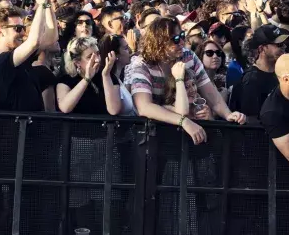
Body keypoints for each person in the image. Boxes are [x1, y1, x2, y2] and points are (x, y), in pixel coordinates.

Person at [125, 17, 245, 145]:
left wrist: (228, 114)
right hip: (150, 137)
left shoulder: (188, 56)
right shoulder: (141, 64)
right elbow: (144, 107)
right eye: (175, 39)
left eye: (182, 36)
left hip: (183, 135)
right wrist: (184, 121)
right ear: (159, 42)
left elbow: (210, 92)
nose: (182, 42)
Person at [0, 0, 59, 112]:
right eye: (18, 28)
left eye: (23, 28)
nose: (22, 33)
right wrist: (41, 5)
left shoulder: (20, 57)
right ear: (0, 31)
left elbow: (52, 37)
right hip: (16, 130)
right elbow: (34, 42)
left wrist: (47, 3)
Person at [229, 24, 289, 119]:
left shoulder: (280, 71)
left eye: (284, 43)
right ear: (262, 49)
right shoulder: (251, 81)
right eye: (279, 44)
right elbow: (252, 122)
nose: (284, 47)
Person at [56, 36, 116, 115]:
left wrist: (106, 76)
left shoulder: (107, 75)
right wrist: (87, 79)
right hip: (78, 126)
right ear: (77, 62)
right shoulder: (65, 81)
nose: (97, 60)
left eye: (98, 54)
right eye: (90, 57)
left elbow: (114, 110)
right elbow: (65, 107)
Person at [99, 34, 135, 115]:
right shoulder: (109, 81)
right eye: (126, 48)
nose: (130, 50)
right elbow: (115, 111)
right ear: (115, 55)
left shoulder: (118, 78)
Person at [194, 37, 229, 103]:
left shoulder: (217, 82)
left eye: (218, 53)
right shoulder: (196, 84)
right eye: (209, 53)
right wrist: (223, 96)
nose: (215, 56)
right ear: (200, 56)